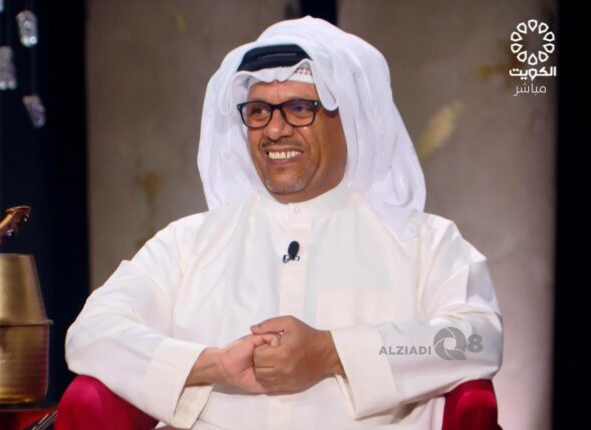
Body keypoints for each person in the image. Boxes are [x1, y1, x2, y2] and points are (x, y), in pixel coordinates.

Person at [65, 16, 502, 429]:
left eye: (298, 108)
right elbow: (90, 334)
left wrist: (333, 353)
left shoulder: (423, 242)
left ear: (349, 118)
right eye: (259, 111)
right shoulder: (189, 244)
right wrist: (213, 366)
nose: (275, 130)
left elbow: (478, 339)